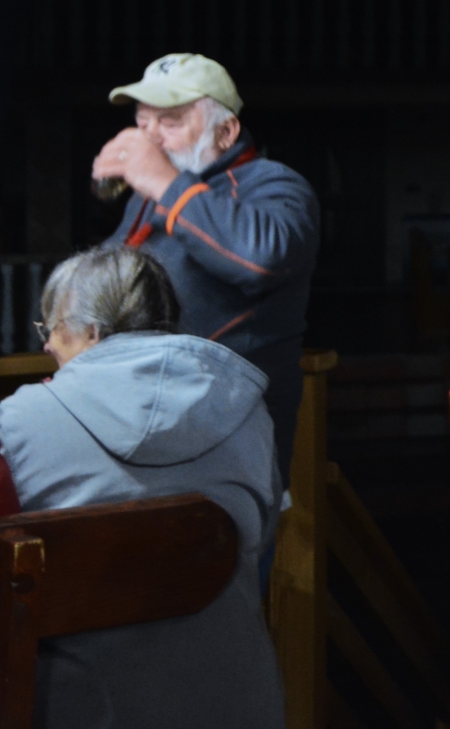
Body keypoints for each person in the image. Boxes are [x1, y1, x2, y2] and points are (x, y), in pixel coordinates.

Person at [0, 246, 285, 729]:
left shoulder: (14, 424)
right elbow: (260, 538)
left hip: (77, 709)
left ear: (91, 330)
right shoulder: (244, 411)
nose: (47, 346)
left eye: (52, 330)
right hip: (238, 703)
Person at [91, 52, 320, 482]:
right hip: (139, 417)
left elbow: (260, 259)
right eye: (143, 123)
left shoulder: (274, 183)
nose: (150, 139)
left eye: (170, 122)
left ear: (225, 131)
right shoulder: (150, 196)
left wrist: (162, 183)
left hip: (225, 433)